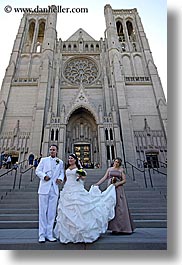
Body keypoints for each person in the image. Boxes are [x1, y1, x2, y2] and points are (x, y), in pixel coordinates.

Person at [54, 153, 116, 244]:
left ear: (75, 160)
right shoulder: (66, 169)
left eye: (72, 158)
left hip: (77, 189)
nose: (70, 160)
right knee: (67, 211)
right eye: (69, 158)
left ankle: (81, 233)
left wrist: (80, 177)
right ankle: (70, 233)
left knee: (79, 209)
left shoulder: (79, 169)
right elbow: (66, 179)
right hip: (67, 189)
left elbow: (83, 178)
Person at [94, 157, 135, 234]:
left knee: (120, 207)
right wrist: (97, 184)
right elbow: (104, 177)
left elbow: (124, 180)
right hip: (110, 188)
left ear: (119, 163)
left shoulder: (121, 170)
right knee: (110, 206)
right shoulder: (109, 169)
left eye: (117, 162)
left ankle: (123, 228)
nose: (116, 163)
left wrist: (117, 183)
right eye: (115, 162)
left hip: (118, 189)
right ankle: (114, 228)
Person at [35, 145, 64, 243]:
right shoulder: (44, 160)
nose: (52, 151)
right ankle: (42, 234)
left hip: (54, 189)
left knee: (51, 213)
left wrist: (60, 178)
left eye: (54, 150)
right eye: (51, 149)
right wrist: (44, 176)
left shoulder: (60, 162)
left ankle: (49, 234)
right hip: (44, 188)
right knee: (43, 212)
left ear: (57, 151)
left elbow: (61, 173)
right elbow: (37, 171)